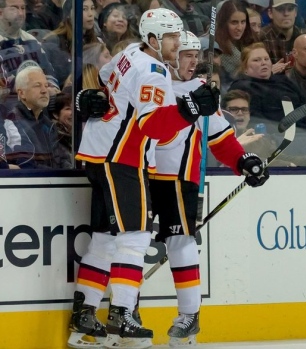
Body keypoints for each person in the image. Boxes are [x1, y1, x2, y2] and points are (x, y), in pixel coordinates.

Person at [68, 8, 221, 349]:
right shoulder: (154, 71)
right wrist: (191, 109)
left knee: (106, 238)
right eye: (170, 37)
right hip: (124, 158)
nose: (176, 42)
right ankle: (123, 314)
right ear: (153, 39)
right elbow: (153, 129)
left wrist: (89, 100)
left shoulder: (129, 52)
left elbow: (105, 79)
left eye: (178, 36)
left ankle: (84, 315)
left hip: (99, 153)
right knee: (135, 236)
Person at [150, 31, 268, 346]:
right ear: (169, 54)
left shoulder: (201, 90)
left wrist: (244, 161)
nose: (192, 62)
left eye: (195, 56)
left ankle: (189, 316)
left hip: (178, 176)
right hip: (136, 173)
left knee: (181, 240)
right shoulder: (150, 82)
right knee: (130, 243)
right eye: (185, 55)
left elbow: (220, 139)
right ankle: (127, 310)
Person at [228, 42, 306, 132]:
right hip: (275, 137)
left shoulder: (284, 81)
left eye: (266, 59)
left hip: (304, 132)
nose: (263, 63)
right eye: (256, 60)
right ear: (245, 68)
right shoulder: (242, 87)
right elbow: (257, 120)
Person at [7, 65, 69, 168]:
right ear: (21, 93)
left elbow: (62, 158)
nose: (44, 90)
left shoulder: (49, 125)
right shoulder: (12, 123)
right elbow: (27, 165)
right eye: (37, 85)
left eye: (46, 85)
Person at [215, 0, 256, 85]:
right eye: (234, 22)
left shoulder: (250, 40)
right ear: (224, 23)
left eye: (243, 22)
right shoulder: (215, 47)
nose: (240, 27)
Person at [259, 0, 303, 74]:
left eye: (290, 9)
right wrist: (269, 72)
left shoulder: (305, 37)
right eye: (280, 9)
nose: (286, 13)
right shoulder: (261, 37)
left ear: (295, 12)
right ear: (270, 13)